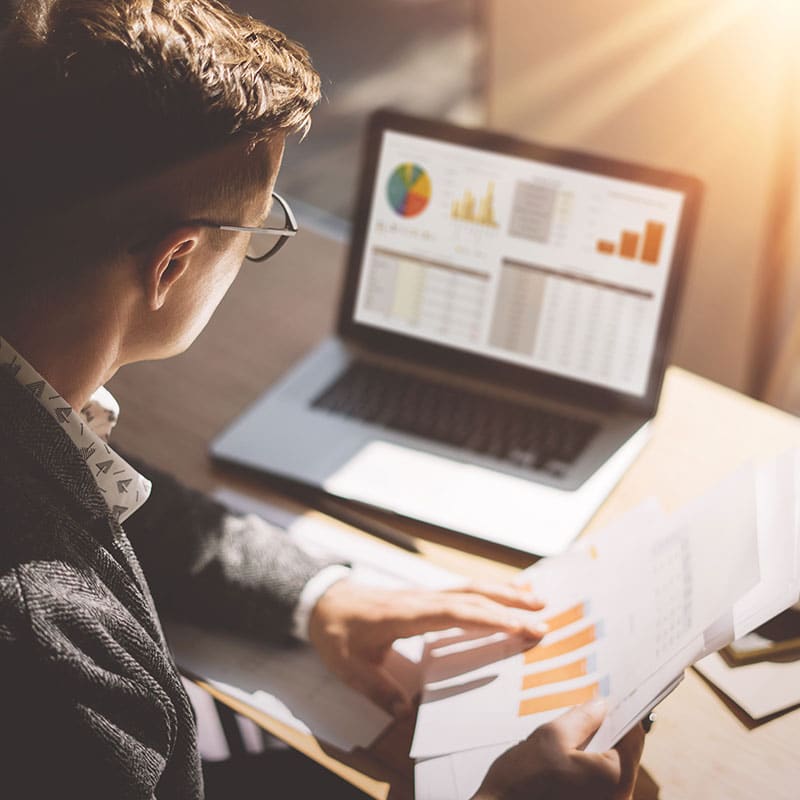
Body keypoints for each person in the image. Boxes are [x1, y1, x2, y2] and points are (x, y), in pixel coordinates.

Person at [0, 1, 644, 797]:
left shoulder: (34, 423)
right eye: (258, 228)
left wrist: (317, 595)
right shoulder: (53, 655)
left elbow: (100, 493)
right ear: (173, 266)